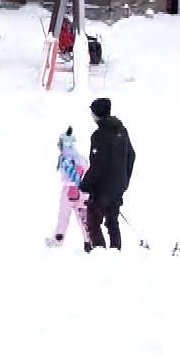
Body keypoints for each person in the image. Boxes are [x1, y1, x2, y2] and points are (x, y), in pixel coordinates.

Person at [79, 97, 136, 251]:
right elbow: (131, 155)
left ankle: (101, 256)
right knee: (112, 222)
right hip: (118, 187)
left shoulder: (98, 136)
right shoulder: (121, 131)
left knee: (93, 222)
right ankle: (115, 254)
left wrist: (85, 184)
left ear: (96, 114)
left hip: (102, 189)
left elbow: (97, 165)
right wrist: (124, 180)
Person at [46, 127, 91, 250]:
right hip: (83, 192)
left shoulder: (65, 158)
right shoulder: (81, 158)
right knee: (84, 218)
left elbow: (71, 172)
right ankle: (89, 241)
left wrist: (77, 182)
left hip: (69, 192)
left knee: (63, 218)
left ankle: (58, 239)